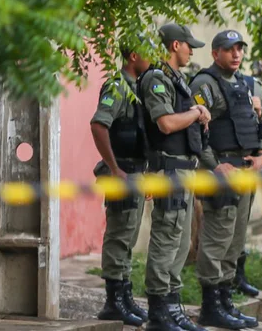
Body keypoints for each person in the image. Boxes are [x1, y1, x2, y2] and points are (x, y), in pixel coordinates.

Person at [190, 30, 262, 329]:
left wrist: (261, 154)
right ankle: (210, 306)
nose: (236, 54)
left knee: (235, 240)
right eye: (229, 49)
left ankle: (225, 301)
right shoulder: (205, 83)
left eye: (239, 49)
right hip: (220, 172)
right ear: (215, 53)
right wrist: (215, 166)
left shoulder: (243, 84)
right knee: (216, 240)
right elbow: (195, 133)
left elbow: (254, 128)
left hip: (244, 170)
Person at [137, 23, 211, 331]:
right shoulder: (157, 79)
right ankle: (158, 311)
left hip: (184, 169)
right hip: (168, 170)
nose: (192, 51)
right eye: (188, 45)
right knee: (166, 239)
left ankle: (172, 305)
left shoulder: (176, 79)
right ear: (175, 45)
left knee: (181, 242)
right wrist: (196, 113)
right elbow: (165, 123)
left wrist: (200, 118)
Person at [91, 47, 153, 326]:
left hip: (136, 172)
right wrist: (115, 168)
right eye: (147, 53)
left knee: (128, 236)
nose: (152, 59)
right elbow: (99, 125)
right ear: (133, 57)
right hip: (122, 173)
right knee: (119, 235)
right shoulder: (117, 86)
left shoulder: (138, 88)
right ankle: (113, 301)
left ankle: (124, 296)